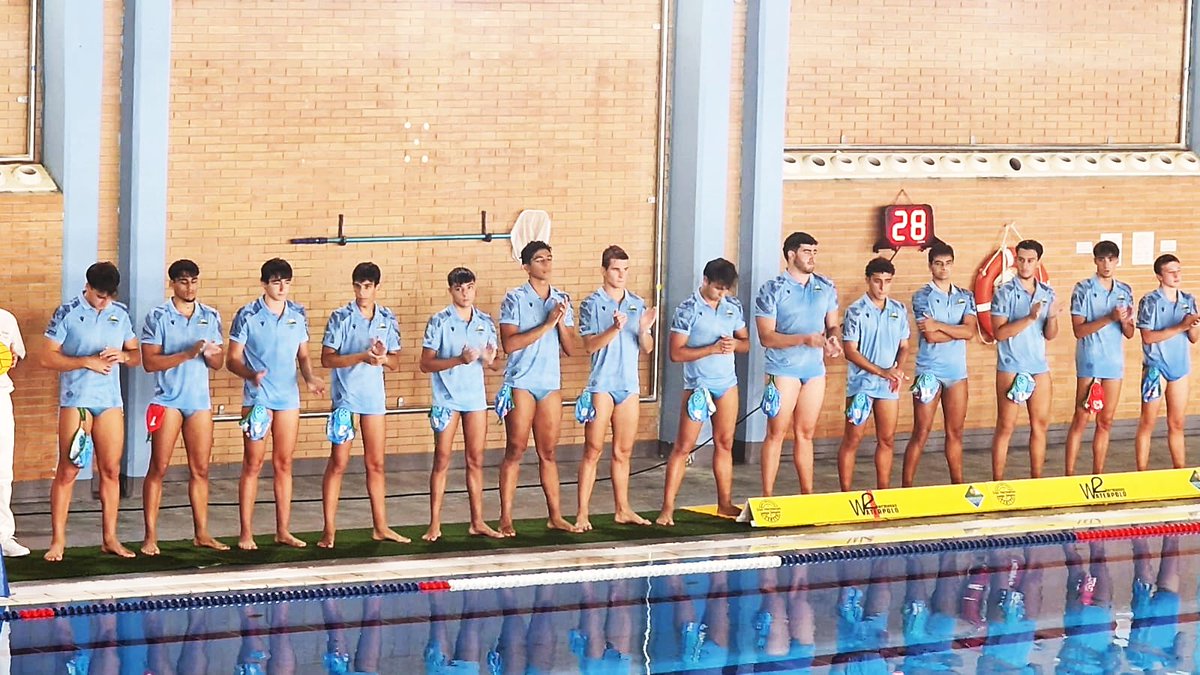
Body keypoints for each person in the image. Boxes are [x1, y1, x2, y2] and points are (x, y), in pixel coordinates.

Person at [41, 261, 141, 561]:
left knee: (111, 471)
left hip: (110, 401)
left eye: (109, 296)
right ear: (87, 287)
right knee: (69, 469)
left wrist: (123, 355)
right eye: (100, 295)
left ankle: (110, 538)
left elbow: (137, 357)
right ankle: (58, 541)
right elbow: (47, 357)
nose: (105, 301)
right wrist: (85, 361)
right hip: (77, 400)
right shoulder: (67, 312)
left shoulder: (119, 313)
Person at [228, 258, 325, 550]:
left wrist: (309, 378)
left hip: (287, 398)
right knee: (253, 464)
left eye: (286, 282)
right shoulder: (247, 314)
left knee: (284, 463)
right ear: (264, 284)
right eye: (275, 282)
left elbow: (304, 356)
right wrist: (250, 374)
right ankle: (246, 532)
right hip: (257, 399)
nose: (282, 287)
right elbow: (232, 359)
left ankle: (283, 529)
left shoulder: (298, 313)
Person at [139, 259, 228, 555]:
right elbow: (150, 362)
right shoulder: (158, 316)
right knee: (159, 467)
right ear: (173, 284)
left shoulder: (210, 316)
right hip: (168, 401)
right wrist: (189, 352)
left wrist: (211, 354)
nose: (189, 287)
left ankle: (202, 533)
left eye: (193, 281)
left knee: (201, 469)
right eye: (183, 282)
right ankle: (150, 537)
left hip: (198, 402)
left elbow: (217, 363)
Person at [317, 262, 408, 548]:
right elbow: (327, 359)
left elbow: (395, 362)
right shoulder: (340, 317)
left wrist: (381, 359)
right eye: (357, 286)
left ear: (376, 288)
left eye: (367, 286)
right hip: (345, 398)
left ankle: (380, 526)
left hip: (373, 400)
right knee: (339, 462)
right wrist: (360, 357)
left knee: (376, 464)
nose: (361, 291)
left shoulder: (387, 318)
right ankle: (329, 529)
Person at [656, 258, 749, 525]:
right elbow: (676, 353)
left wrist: (734, 345)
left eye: (726, 289)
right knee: (684, 447)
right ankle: (667, 509)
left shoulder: (732, 307)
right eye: (718, 288)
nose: (722, 294)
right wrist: (711, 349)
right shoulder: (687, 310)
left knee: (725, 444)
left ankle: (724, 503)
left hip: (726, 383)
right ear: (705, 281)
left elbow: (746, 343)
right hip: (698, 385)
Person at [496, 241, 580, 536]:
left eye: (549, 258)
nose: (546, 264)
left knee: (548, 452)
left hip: (549, 383)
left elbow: (570, 348)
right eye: (539, 259)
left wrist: (559, 322)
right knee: (516, 449)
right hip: (521, 382)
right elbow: (509, 344)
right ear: (526, 266)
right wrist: (546, 324)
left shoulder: (561, 298)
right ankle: (506, 517)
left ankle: (555, 515)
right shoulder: (514, 299)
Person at [419, 266, 504, 541]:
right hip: (446, 398)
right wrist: (459, 360)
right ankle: (434, 523)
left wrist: (490, 361)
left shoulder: (485, 322)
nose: (464, 293)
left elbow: (494, 365)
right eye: (459, 289)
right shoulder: (439, 321)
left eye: (468, 288)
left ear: (474, 287)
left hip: (475, 399)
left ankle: (477, 521)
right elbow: (425, 363)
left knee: (475, 460)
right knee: (442, 459)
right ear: (451, 290)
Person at [575, 245, 656, 531]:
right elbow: (588, 346)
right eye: (615, 270)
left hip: (628, 385)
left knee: (623, 451)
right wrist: (614, 329)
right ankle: (582, 513)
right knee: (593, 449)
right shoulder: (591, 303)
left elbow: (646, 349)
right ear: (604, 271)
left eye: (625, 270)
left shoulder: (636, 303)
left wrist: (644, 330)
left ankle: (623, 509)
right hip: (602, 385)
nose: (621, 275)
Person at [754, 231, 841, 496]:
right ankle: (767, 495)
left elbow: (833, 324)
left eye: (815, 251)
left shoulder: (825, 286)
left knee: (806, 433)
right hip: (783, 369)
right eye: (806, 251)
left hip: (813, 369)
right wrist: (804, 339)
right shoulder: (772, 289)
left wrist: (833, 340)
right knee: (776, 432)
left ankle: (807, 493)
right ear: (791, 254)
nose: (812, 257)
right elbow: (766, 337)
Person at [901, 242, 977, 487]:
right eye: (938, 263)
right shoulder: (921, 296)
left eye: (947, 263)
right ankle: (906, 487)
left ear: (953, 264)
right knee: (921, 432)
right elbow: (930, 336)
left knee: (955, 433)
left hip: (957, 373)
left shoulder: (965, 296)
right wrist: (954, 330)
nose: (943, 268)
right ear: (930, 265)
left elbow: (970, 332)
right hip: (929, 372)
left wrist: (940, 325)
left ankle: (958, 484)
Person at [836, 257, 911, 491]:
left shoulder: (898, 310)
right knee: (853, 439)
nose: (882, 287)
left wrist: (898, 368)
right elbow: (850, 351)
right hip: (862, 384)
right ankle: (845, 493)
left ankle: (884, 490)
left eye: (887, 282)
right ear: (868, 280)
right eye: (877, 281)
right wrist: (882, 371)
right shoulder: (855, 311)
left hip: (887, 386)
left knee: (887, 439)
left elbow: (905, 346)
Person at [989, 239, 1060, 480]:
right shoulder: (1003, 292)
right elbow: (999, 333)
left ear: (1038, 262)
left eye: (1030, 260)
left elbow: (1050, 334)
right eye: (1021, 260)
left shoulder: (1047, 293)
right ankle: (998, 481)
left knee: (1039, 426)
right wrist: (1029, 318)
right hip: (1010, 366)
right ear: (1015, 261)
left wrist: (1052, 317)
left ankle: (1036, 479)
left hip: (1038, 366)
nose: (1025, 265)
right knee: (1006, 426)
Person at [1064, 241, 1134, 476]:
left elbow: (1130, 332)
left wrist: (1124, 321)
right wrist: (1110, 317)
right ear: (1095, 261)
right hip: (1090, 361)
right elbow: (1079, 330)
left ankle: (1098, 474)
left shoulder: (1124, 290)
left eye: (1111, 259)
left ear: (1117, 261)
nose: (1107, 264)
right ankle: (1070, 474)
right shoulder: (1083, 288)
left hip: (1114, 363)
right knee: (1082, 418)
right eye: (1102, 259)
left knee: (1106, 421)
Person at [1134, 254, 1200, 470]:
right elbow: (1148, 337)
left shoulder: (1188, 300)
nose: (1176, 275)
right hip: (1156, 368)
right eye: (1171, 272)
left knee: (1177, 423)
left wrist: (1193, 324)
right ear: (1159, 276)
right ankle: (1141, 472)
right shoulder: (1150, 301)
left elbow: (1193, 337)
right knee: (1148, 422)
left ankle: (1179, 471)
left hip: (1180, 367)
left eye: (1178, 270)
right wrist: (1181, 326)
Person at [0, 303, 26, 557]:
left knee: (3, 470)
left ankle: (3, 536)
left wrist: (12, 357)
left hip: (1, 398)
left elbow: (17, 354)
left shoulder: (6, 320)